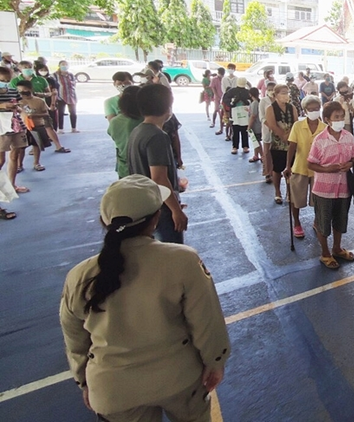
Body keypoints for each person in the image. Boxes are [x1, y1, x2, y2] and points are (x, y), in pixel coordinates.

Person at [59, 175, 230, 421]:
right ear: (155, 219)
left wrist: (84, 381)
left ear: (104, 221)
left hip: (113, 391)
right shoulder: (183, 261)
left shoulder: (79, 276)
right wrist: (215, 360)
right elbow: (206, 320)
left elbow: (74, 338)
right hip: (178, 378)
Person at [126, 84, 188, 244]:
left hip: (148, 205)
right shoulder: (157, 136)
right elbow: (159, 178)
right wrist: (175, 209)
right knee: (173, 252)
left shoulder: (137, 131)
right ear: (167, 107)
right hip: (160, 208)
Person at [307, 101, 354, 270]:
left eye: (342, 117)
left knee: (340, 221)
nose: (340, 120)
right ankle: (325, 253)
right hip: (324, 190)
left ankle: (337, 248)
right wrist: (326, 169)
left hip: (343, 188)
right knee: (323, 223)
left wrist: (350, 164)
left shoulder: (348, 137)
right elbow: (311, 164)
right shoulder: (320, 140)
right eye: (336, 117)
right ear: (328, 119)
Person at [284, 95, 326, 239]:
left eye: (317, 109)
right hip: (299, 168)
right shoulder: (297, 126)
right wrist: (287, 166)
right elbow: (292, 147)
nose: (314, 111)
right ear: (305, 110)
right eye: (311, 109)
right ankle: (297, 223)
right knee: (296, 199)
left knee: (318, 200)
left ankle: (316, 221)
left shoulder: (325, 128)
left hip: (318, 170)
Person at [17, 80, 70, 169]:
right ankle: (19, 165)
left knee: (36, 146)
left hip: (37, 126)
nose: (22, 92)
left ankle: (36, 163)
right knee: (21, 148)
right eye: (19, 90)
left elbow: (46, 114)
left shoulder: (39, 101)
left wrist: (35, 115)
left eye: (24, 89)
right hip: (22, 127)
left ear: (30, 89)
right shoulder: (19, 102)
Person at [0, 65, 29, 197]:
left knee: (14, 155)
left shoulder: (13, 91)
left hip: (15, 124)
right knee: (1, 159)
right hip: (2, 127)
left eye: (7, 80)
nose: (5, 83)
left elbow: (20, 105)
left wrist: (18, 108)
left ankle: (12, 185)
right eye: (3, 80)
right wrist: (3, 105)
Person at [266, 83, 296, 204]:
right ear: (276, 95)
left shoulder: (291, 107)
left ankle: (289, 191)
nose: (286, 95)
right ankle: (277, 192)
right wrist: (283, 136)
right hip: (278, 143)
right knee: (277, 168)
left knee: (291, 168)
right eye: (283, 93)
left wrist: (291, 136)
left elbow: (295, 122)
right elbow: (272, 125)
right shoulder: (271, 108)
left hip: (291, 141)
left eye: (287, 93)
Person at [107, 85, 142, 179]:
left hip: (123, 167)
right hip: (142, 168)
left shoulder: (114, 121)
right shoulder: (144, 120)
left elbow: (112, 135)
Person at [227, 77, 252, 155]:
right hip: (235, 114)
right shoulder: (232, 91)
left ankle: (244, 146)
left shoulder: (247, 92)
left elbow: (251, 100)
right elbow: (226, 100)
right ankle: (235, 146)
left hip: (244, 114)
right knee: (236, 130)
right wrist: (234, 101)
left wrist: (246, 101)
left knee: (244, 131)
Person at [53, 60, 79, 133]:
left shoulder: (71, 75)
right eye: (62, 64)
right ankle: (60, 129)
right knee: (60, 113)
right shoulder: (55, 75)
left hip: (71, 96)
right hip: (60, 97)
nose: (64, 66)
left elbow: (74, 84)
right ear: (59, 66)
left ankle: (74, 128)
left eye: (66, 64)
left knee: (73, 113)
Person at [35, 61, 59, 131]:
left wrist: (53, 104)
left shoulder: (51, 80)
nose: (43, 72)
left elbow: (54, 92)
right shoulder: (34, 80)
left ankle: (53, 132)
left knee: (51, 117)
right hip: (39, 102)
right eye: (41, 70)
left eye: (45, 70)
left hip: (50, 100)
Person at [210, 67, 225, 132]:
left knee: (222, 112)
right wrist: (216, 95)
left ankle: (221, 127)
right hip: (217, 98)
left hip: (223, 98)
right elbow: (213, 88)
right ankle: (213, 122)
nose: (221, 75)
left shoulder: (224, 79)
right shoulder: (214, 79)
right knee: (216, 110)